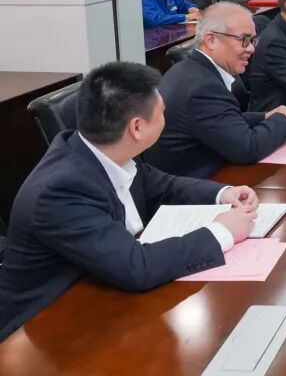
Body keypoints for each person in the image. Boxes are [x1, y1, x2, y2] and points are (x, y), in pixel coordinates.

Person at [0, 62, 260, 341]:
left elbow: (162, 186)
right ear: (137, 127)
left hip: (101, 293)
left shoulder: (102, 149)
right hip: (44, 327)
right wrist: (221, 231)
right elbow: (137, 267)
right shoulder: (61, 190)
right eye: (162, 113)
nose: (166, 118)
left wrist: (222, 194)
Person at [145, 2, 286, 179]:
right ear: (211, 40)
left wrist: (266, 116)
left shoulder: (188, 69)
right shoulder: (202, 88)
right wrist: (283, 121)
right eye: (244, 39)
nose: (251, 48)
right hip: (199, 185)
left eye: (252, 40)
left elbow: (221, 121)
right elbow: (249, 148)